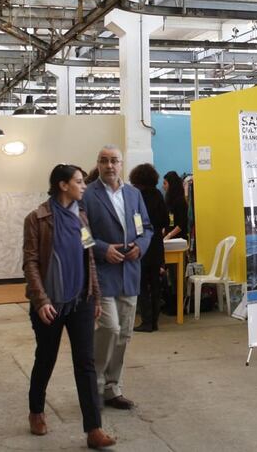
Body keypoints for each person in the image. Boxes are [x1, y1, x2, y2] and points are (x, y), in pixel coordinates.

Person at [22, 164, 116, 449]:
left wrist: (95, 297)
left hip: (81, 300)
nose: (83, 185)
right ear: (63, 185)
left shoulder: (82, 218)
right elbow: (30, 263)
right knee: (46, 358)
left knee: (85, 363)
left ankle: (93, 429)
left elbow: (89, 260)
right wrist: (41, 301)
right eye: (78, 181)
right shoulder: (37, 218)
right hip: (49, 304)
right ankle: (36, 410)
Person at [84, 145, 153, 410]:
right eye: (104, 161)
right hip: (103, 272)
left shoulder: (134, 194)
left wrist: (141, 246)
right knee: (109, 328)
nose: (109, 166)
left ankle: (113, 388)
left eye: (114, 161)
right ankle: (95, 386)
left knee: (124, 333)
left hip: (130, 270)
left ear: (122, 164)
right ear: (98, 164)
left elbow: (146, 227)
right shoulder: (88, 195)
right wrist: (102, 249)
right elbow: (81, 233)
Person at [128, 163, 167, 333]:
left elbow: (134, 219)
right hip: (157, 242)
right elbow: (165, 220)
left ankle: (146, 321)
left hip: (142, 242)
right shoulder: (158, 194)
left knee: (142, 284)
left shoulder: (135, 195)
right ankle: (155, 322)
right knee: (156, 283)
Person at [161, 171, 189, 241]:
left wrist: (169, 235)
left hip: (179, 239)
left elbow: (181, 224)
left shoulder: (180, 201)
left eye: (165, 183)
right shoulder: (169, 200)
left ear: (172, 184)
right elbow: (171, 220)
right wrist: (165, 231)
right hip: (170, 238)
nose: (163, 186)